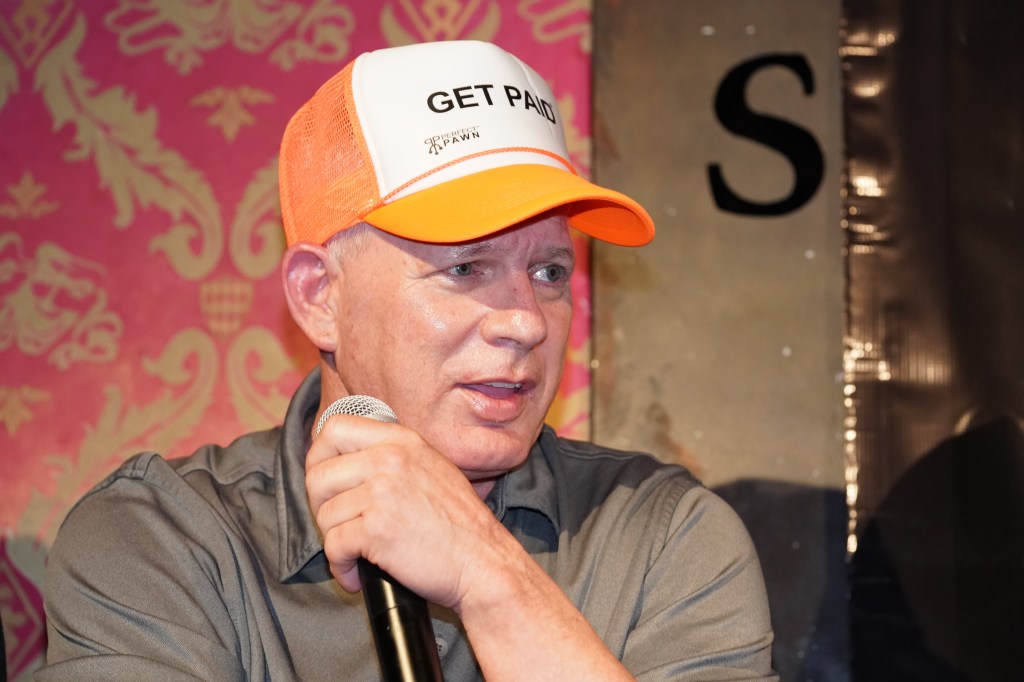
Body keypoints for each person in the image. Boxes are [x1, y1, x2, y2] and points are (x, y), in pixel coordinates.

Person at [39, 40, 776, 681]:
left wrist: (490, 575)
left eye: (550, 271)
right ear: (319, 295)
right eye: (466, 268)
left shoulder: (665, 537)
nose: (525, 320)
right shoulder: (160, 540)